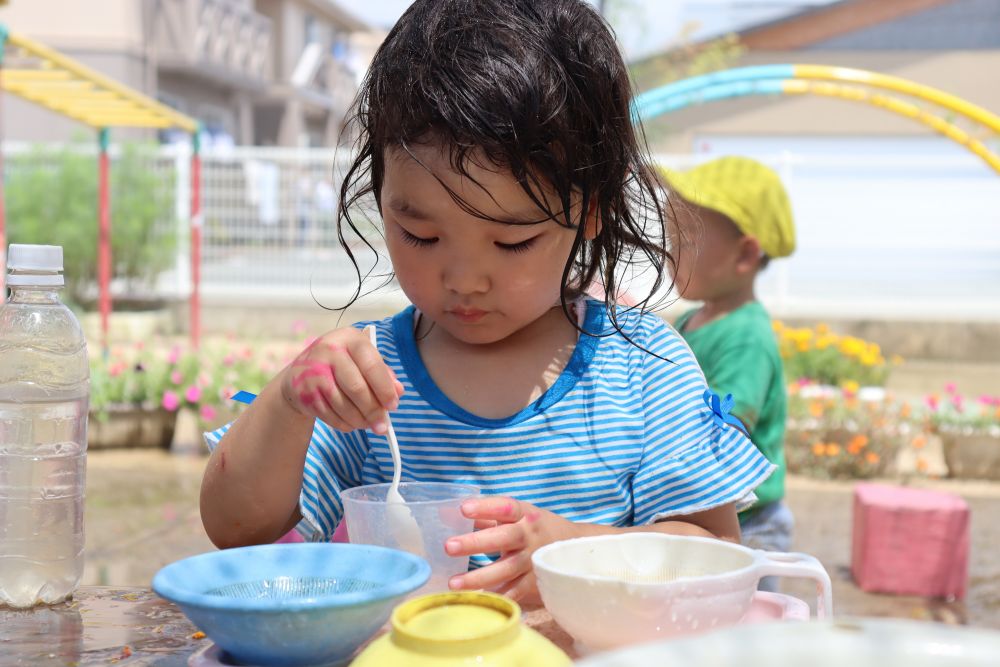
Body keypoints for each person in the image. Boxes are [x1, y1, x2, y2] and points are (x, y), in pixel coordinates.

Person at [200, 0, 774, 605]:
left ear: (591, 214)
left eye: (512, 240)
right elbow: (237, 531)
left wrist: (571, 552)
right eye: (420, 234)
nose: (465, 279)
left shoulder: (642, 372)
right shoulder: (370, 381)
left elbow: (714, 553)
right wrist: (290, 399)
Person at [663, 156, 796, 589]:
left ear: (745, 255)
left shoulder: (746, 337)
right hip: (715, 511)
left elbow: (729, 425)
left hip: (749, 525)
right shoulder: (695, 319)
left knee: (746, 625)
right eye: (668, 236)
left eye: (684, 241)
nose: (668, 251)